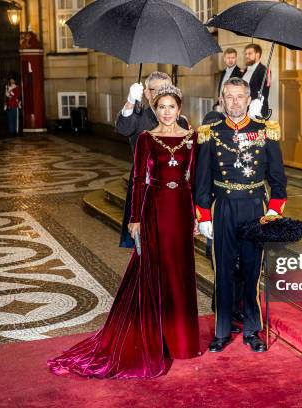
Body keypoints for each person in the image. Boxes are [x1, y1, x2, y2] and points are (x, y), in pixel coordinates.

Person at [48, 84, 200, 379]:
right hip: (154, 209)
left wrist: (196, 214)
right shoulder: (146, 138)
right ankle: (157, 337)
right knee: (156, 271)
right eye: (162, 107)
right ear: (155, 110)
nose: (167, 112)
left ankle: (181, 342)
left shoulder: (193, 139)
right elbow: (137, 180)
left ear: (179, 109)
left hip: (181, 210)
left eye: (172, 107)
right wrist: (134, 217)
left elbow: (192, 180)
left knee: (180, 272)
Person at [195, 77, 287, 353]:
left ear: (248, 100)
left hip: (254, 209)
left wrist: (273, 211)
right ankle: (221, 331)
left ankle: (251, 331)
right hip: (222, 207)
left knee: (251, 270)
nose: (234, 102)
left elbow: (278, 180)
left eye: (239, 97)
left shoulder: (264, 132)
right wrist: (204, 218)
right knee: (222, 271)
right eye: (229, 97)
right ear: (221, 100)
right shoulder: (210, 133)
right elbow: (202, 182)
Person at [115, 72, 189, 248]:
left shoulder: (182, 121)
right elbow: (124, 128)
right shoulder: (138, 116)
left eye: (169, 89)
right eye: (159, 90)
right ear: (147, 93)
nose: (165, 93)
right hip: (146, 188)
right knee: (147, 244)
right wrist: (131, 101)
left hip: (174, 191)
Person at [242, 44, 270, 119]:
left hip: (256, 111)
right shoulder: (245, 70)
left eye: (250, 53)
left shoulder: (264, 71)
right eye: (246, 54)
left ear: (257, 54)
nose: (247, 56)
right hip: (244, 110)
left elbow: (264, 93)